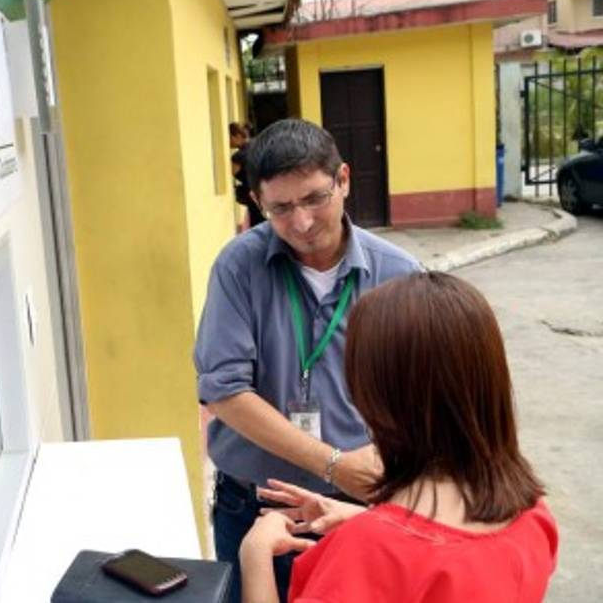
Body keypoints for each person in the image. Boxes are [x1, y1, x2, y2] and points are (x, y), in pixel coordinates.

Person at [193, 118, 421, 603]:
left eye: (315, 198)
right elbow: (223, 391)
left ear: (343, 179)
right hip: (252, 510)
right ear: (258, 203)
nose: (301, 222)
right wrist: (334, 464)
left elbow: (425, 397)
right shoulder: (238, 267)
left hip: (357, 510)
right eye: (280, 208)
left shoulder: (399, 275)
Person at [239, 272, 558, 602]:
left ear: (378, 395)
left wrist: (256, 555)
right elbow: (454, 556)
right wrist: (371, 519)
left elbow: (407, 559)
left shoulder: (364, 553)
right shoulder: (533, 512)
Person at [230, 122, 264, 227]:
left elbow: (233, 173)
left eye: (230, 138)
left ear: (237, 136)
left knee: (257, 224)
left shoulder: (238, 157)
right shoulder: (257, 145)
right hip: (266, 190)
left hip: (253, 195)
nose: (228, 141)